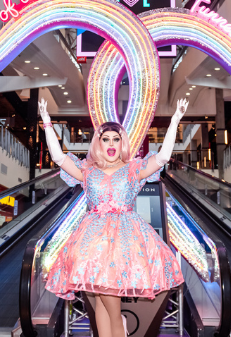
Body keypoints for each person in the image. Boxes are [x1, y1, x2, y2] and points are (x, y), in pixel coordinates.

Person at [40, 98, 188, 337]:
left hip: (123, 240)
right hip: (91, 241)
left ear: (122, 143)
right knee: (98, 300)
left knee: (110, 300)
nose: (111, 144)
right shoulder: (88, 170)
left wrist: (174, 121)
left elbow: (161, 158)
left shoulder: (133, 169)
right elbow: (58, 158)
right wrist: (47, 123)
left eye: (116, 139)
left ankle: (121, 328)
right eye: (105, 139)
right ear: (98, 143)